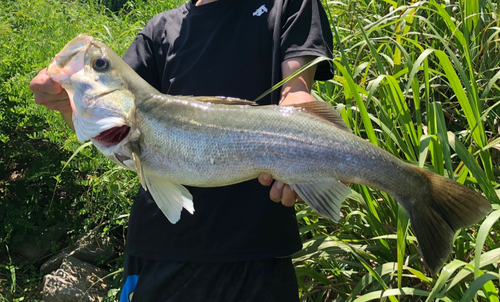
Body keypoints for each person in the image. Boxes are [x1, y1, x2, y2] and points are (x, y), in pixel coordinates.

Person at [30, 0, 333, 300]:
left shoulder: (287, 4)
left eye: (98, 64)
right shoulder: (159, 30)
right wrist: (68, 108)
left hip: (260, 253)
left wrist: (310, 145)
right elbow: (121, 128)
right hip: (160, 251)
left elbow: (296, 93)